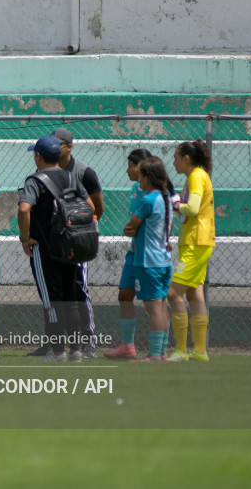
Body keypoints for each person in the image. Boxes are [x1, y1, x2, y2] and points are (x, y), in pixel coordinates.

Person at [17, 135, 95, 363]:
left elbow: (24, 209)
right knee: (71, 298)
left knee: (52, 300)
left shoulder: (35, 180)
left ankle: (57, 351)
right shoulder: (71, 177)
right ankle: (76, 351)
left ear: (38, 156)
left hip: (45, 248)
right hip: (71, 247)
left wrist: (25, 238)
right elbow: (90, 207)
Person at [106, 149, 176, 359]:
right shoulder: (141, 190)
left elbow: (136, 224)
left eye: (131, 166)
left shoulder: (156, 196)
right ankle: (130, 346)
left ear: (145, 169)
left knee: (155, 305)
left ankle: (156, 353)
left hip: (148, 259)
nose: (128, 170)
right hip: (139, 255)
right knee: (126, 295)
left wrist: (134, 229)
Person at [47, 127, 103, 359]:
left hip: (78, 241)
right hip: (56, 241)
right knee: (57, 293)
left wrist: (81, 227)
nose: (53, 147)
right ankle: (56, 344)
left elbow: (98, 208)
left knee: (79, 290)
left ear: (69, 147)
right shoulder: (47, 170)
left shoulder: (83, 172)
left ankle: (88, 342)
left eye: (58, 144)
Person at [167, 140, 215, 362]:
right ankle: (200, 351)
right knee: (195, 293)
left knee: (173, 293)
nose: (173, 162)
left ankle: (181, 350)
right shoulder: (196, 176)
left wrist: (176, 205)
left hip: (196, 243)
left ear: (186, 158)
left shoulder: (196, 176)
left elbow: (193, 209)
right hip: (198, 242)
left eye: (176, 157)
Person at [122, 157, 173, 361]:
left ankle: (153, 354)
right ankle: (161, 352)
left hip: (148, 262)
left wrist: (129, 229)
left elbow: (131, 227)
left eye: (140, 175)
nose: (138, 179)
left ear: (147, 177)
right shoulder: (164, 198)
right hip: (163, 260)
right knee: (161, 307)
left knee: (153, 310)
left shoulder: (147, 201)